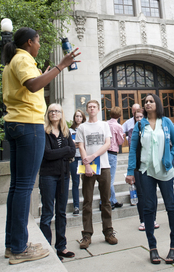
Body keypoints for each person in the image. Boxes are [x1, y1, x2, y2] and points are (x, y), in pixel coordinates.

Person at [2, 27, 79, 265]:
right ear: (28, 42)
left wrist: (45, 74)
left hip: (16, 124)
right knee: (24, 187)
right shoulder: (23, 58)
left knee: (17, 186)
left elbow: (30, 86)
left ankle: (13, 243)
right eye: (38, 41)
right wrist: (60, 66)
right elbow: (33, 86)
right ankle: (19, 247)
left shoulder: (14, 61)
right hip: (28, 126)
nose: (39, 45)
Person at [126, 94, 174, 264]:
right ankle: (153, 248)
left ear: (157, 104)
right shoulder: (140, 125)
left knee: (171, 207)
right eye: (146, 102)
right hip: (146, 172)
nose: (147, 104)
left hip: (164, 171)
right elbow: (133, 147)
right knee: (149, 208)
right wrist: (130, 171)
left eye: (150, 101)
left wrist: (169, 157)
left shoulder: (166, 123)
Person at [75, 100, 118, 249]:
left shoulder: (104, 125)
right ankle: (86, 235)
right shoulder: (82, 127)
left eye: (94, 107)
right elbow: (81, 146)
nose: (92, 109)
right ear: (87, 110)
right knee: (87, 202)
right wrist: (87, 165)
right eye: (89, 107)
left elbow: (107, 144)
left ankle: (108, 232)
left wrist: (93, 157)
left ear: (98, 109)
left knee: (106, 201)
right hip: (88, 167)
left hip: (104, 166)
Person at [39, 104, 76, 260]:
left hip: (63, 176)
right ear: (48, 114)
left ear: (61, 114)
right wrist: (65, 151)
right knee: (48, 212)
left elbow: (73, 150)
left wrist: (64, 152)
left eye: (57, 111)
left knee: (61, 212)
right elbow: (47, 154)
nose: (54, 113)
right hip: (48, 176)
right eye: (51, 111)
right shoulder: (44, 132)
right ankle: (46, 248)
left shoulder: (65, 131)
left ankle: (61, 247)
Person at [107, 106, 126, 209]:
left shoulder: (105, 124)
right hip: (112, 153)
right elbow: (120, 141)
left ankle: (113, 200)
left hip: (104, 152)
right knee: (110, 179)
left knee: (107, 178)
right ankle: (107, 201)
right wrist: (122, 136)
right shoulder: (118, 126)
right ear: (119, 115)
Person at [69, 109, 86, 216]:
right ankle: (76, 206)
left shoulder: (85, 128)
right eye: (76, 116)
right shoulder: (70, 130)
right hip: (74, 159)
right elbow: (69, 143)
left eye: (80, 116)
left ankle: (86, 204)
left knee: (85, 181)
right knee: (75, 182)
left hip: (83, 158)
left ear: (83, 118)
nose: (78, 118)